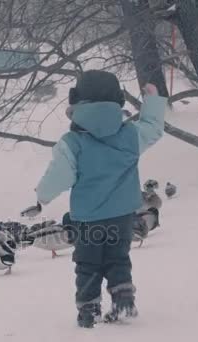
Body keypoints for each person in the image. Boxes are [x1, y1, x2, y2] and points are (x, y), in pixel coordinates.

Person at [31, 70, 166, 328]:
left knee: (88, 263)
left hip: (89, 219)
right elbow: (153, 129)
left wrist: (42, 196)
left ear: (76, 100)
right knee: (117, 258)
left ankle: (89, 309)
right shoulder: (130, 135)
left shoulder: (72, 143)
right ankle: (123, 299)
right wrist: (153, 101)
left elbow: (58, 176)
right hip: (122, 216)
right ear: (118, 100)